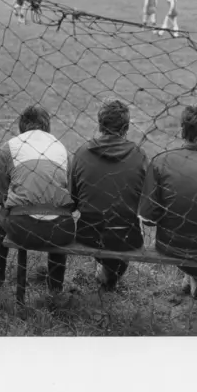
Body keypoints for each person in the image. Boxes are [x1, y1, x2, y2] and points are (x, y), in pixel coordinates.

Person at [139, 106, 197, 299]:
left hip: (170, 244)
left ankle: (193, 280)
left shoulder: (161, 161)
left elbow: (148, 219)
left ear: (182, 130)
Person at [0, 105, 75, 298]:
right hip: (60, 229)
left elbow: (0, 198)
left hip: (21, 227)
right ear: (47, 126)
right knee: (60, 211)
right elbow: (71, 195)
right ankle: (55, 287)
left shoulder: (10, 147)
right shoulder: (61, 148)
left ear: (21, 126)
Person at [68, 100, 148, 290]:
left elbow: (73, 200)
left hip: (89, 233)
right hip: (127, 236)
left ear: (99, 124)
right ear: (127, 127)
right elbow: (144, 201)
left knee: (104, 227)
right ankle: (109, 276)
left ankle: (106, 274)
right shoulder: (139, 155)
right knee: (124, 227)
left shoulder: (82, 153)